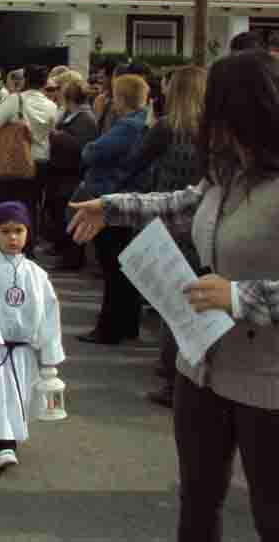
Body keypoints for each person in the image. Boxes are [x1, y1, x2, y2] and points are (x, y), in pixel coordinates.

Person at [67, 49, 279, 542]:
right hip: (200, 368)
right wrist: (111, 207)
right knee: (198, 504)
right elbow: (182, 204)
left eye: (215, 106)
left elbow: (242, 291)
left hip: (266, 384)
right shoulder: (226, 174)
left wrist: (241, 296)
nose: (203, 118)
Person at [119, 65, 206, 408]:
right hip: (202, 219)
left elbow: (133, 162)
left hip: (168, 216)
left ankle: (173, 380)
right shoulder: (214, 131)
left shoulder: (166, 128)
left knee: (172, 301)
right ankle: (192, 375)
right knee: (196, 298)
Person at [0, 201, 64, 471]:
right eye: (5, 231)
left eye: (19, 230)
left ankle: (9, 439)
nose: (13, 238)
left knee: (19, 396)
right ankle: (3, 442)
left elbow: (50, 313)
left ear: (28, 233)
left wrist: (48, 354)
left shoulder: (37, 275)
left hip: (23, 349)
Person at [76, 74, 150, 346]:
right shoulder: (143, 123)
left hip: (112, 195)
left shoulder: (128, 126)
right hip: (128, 196)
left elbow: (92, 152)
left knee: (112, 265)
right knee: (123, 266)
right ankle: (127, 324)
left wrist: (90, 145)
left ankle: (109, 327)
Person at [0, 64, 57, 255]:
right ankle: (27, 248)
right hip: (39, 161)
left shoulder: (15, 100)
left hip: (12, 160)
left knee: (2, 204)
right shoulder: (52, 106)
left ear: (25, 80)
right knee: (30, 207)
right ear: (44, 82)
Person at [45, 81, 97, 271]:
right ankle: (64, 251)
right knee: (60, 211)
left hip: (73, 175)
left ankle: (72, 258)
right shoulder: (71, 115)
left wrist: (59, 137)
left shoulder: (85, 119)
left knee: (71, 213)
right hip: (62, 173)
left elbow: (84, 147)